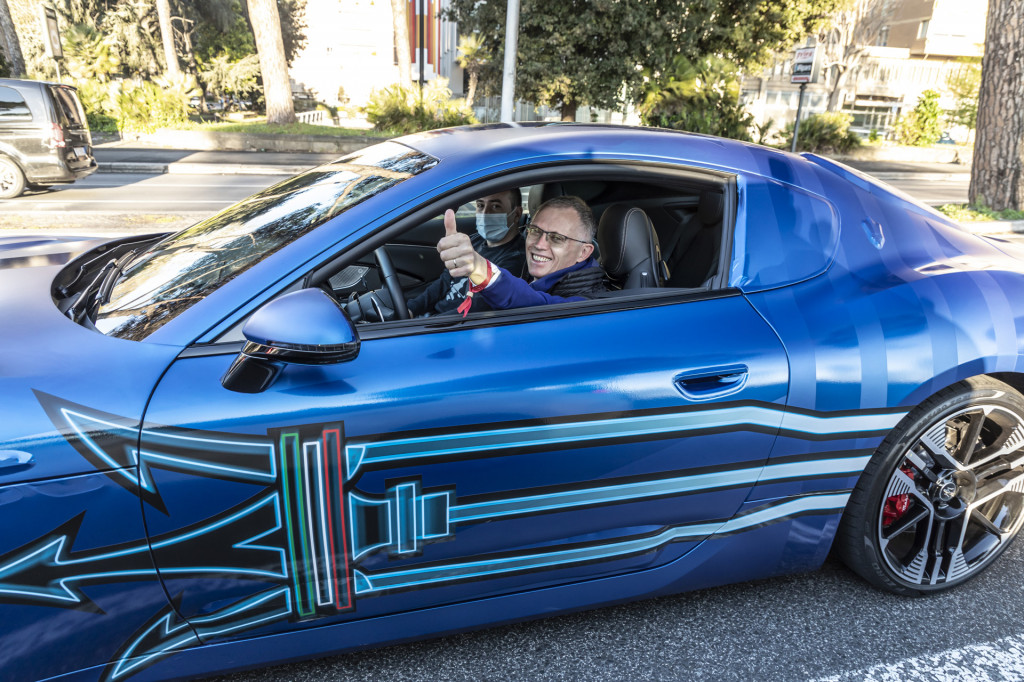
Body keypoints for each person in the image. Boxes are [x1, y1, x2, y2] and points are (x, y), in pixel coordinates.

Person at [348, 189, 526, 320]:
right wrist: (410, 310)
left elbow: (476, 309)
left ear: (516, 214)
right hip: (435, 318)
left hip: (452, 331)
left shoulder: (514, 261)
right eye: (480, 205)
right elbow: (444, 282)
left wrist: (426, 324)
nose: (485, 213)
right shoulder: (475, 242)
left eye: (496, 206)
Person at [437, 195, 608, 313]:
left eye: (557, 238)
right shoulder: (548, 274)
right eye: (534, 230)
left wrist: (479, 267)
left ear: (583, 252)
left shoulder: (587, 303)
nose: (539, 244)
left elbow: (538, 305)